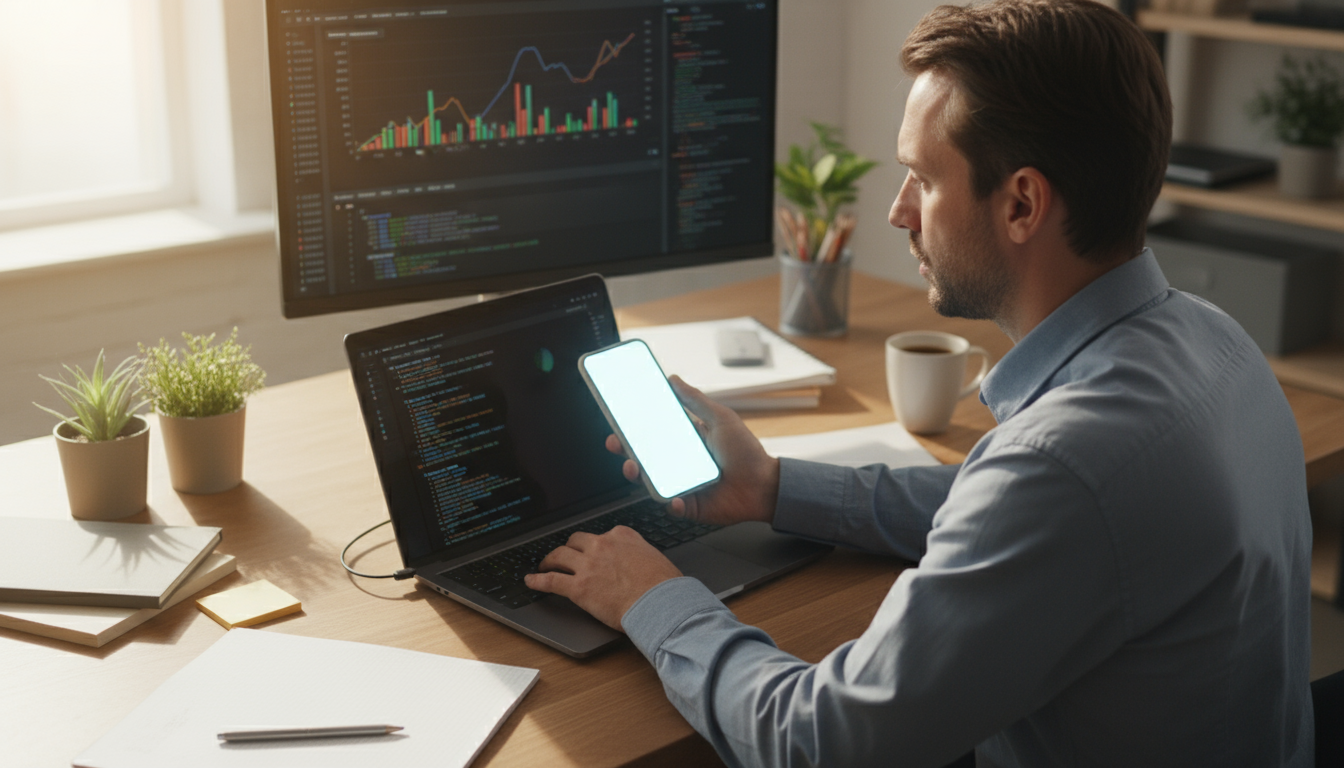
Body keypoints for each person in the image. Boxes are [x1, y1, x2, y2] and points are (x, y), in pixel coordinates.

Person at [525, 0, 1314, 764]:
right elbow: (1006, 507)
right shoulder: (1212, 339)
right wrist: (772, 486)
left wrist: (652, 599)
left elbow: (818, 743)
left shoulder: (1064, 465)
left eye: (922, 180)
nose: (899, 212)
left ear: (1022, 203)